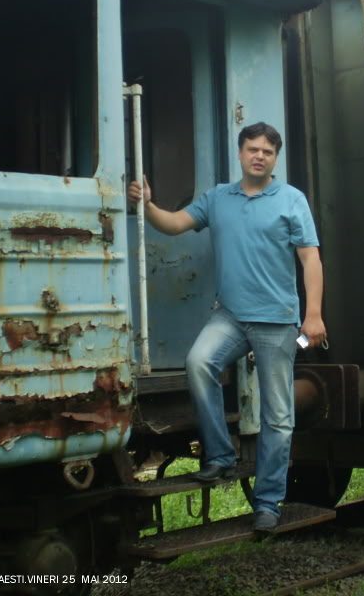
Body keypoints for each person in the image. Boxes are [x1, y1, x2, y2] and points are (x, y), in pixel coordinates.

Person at [127, 122, 326, 535]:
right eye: (252, 149)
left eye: (267, 152)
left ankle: (269, 502)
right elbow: (174, 224)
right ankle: (219, 456)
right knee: (199, 363)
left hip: (277, 320)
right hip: (231, 315)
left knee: (279, 416)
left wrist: (314, 315)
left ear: (275, 158)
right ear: (240, 153)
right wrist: (147, 204)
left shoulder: (292, 200)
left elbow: (311, 260)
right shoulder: (218, 198)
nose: (259, 156)